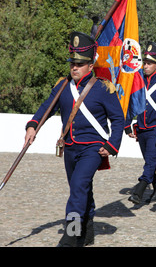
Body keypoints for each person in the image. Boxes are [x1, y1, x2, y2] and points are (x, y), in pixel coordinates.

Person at [24, 31, 124, 246]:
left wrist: (112, 144)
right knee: (80, 189)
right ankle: (87, 231)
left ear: (90, 65)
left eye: (80, 64)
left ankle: (71, 236)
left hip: (93, 148)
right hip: (69, 146)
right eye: (72, 63)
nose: (74, 67)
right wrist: (33, 126)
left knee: (79, 185)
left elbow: (118, 119)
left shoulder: (103, 88)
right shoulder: (62, 86)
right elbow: (46, 108)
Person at [124, 40, 156, 205]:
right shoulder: (137, 82)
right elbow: (129, 102)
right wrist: (126, 123)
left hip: (155, 130)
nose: (146, 66)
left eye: (150, 63)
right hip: (141, 129)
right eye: (145, 62)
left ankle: (140, 189)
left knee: (151, 161)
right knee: (151, 162)